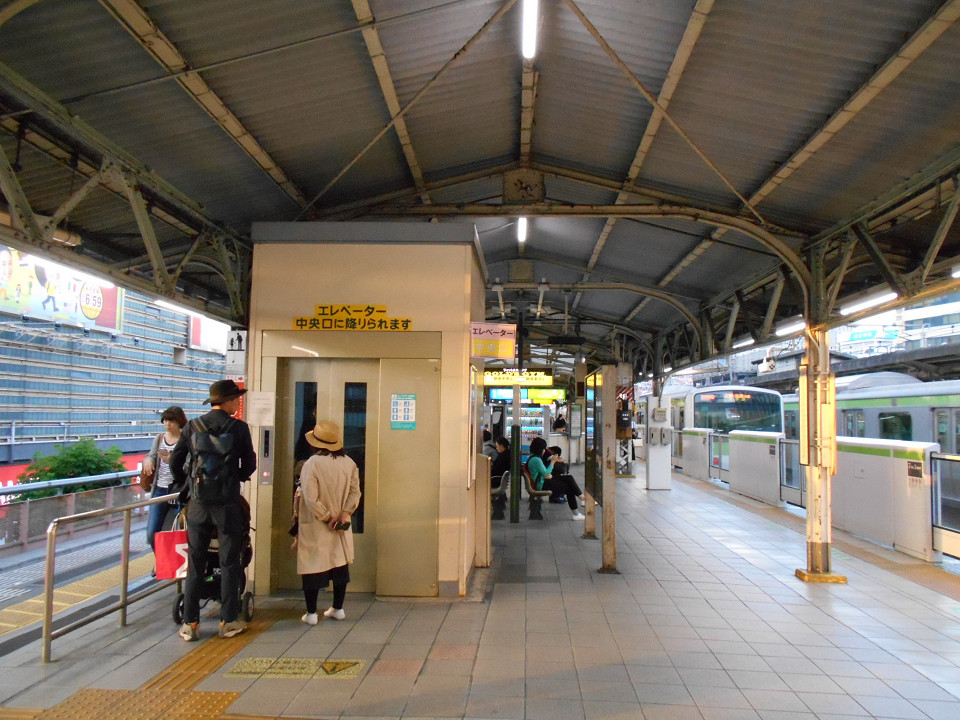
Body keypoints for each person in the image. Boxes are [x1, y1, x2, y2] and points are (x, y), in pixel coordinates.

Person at [170, 379, 256, 641]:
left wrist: (188, 486)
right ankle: (227, 621)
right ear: (228, 401)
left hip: (198, 505)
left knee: (195, 562)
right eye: (237, 399)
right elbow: (250, 464)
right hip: (227, 505)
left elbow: (175, 461)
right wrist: (233, 478)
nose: (239, 402)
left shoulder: (192, 426)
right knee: (230, 562)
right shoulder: (238, 428)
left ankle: (190, 625)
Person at [297, 420, 362, 624]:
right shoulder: (349, 463)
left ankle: (311, 613)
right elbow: (355, 493)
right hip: (340, 525)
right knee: (339, 564)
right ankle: (338, 608)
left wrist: (327, 517)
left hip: (317, 524)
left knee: (313, 566)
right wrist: (343, 514)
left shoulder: (312, 464)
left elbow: (310, 496)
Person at [143, 406, 188, 573]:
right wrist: (148, 460)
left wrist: (171, 460)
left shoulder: (186, 439)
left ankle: (175, 564)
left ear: (179, 422)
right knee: (152, 532)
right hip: (160, 489)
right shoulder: (160, 438)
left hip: (178, 490)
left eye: (171, 421)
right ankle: (162, 560)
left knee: (177, 530)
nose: (167, 424)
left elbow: (188, 465)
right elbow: (151, 455)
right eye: (165, 420)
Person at [526, 436, 584, 519]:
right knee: (569, 488)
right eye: (543, 449)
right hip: (542, 484)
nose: (544, 451)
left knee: (569, 478)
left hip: (542, 480)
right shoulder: (536, 460)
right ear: (539, 449)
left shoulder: (531, 457)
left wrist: (547, 474)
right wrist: (552, 462)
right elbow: (546, 472)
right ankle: (576, 513)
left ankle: (582, 498)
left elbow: (543, 472)